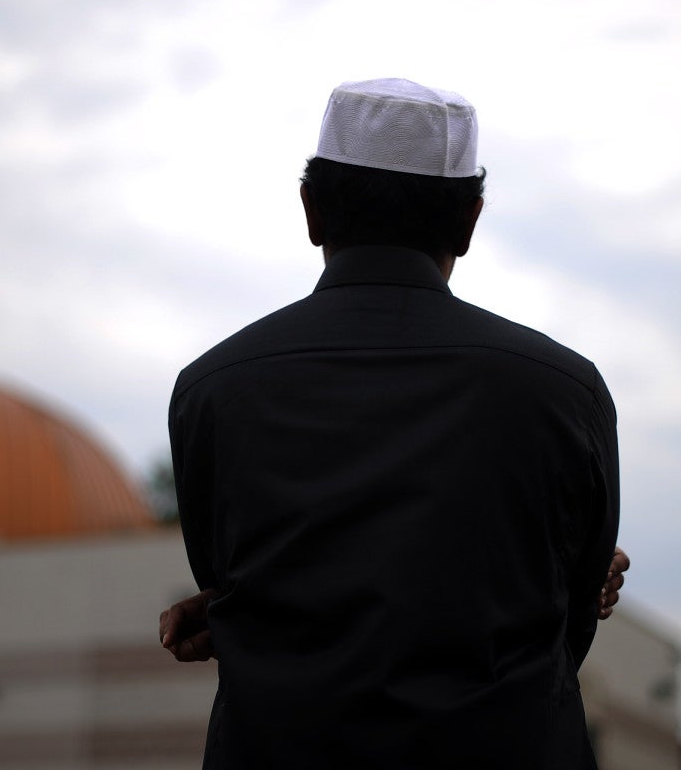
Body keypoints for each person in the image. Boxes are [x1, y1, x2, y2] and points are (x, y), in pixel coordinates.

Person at [164, 78, 623, 769]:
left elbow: (229, 579)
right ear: (469, 222)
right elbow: (572, 617)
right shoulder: (564, 389)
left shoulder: (213, 388)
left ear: (311, 211)